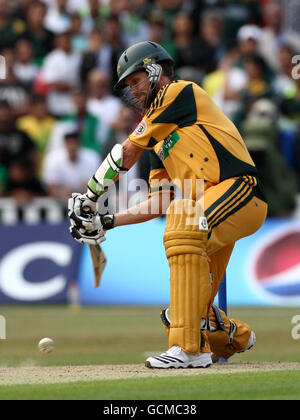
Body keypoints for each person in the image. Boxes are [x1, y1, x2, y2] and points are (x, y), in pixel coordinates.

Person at [68, 41, 268, 369]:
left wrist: (89, 197)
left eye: (136, 81)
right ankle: (234, 337)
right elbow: (161, 200)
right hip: (206, 211)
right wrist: (107, 220)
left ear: (155, 70)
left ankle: (188, 350)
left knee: (184, 221)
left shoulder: (178, 92)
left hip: (240, 192)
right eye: (128, 86)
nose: (132, 91)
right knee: (178, 313)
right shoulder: (158, 138)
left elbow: (127, 152)